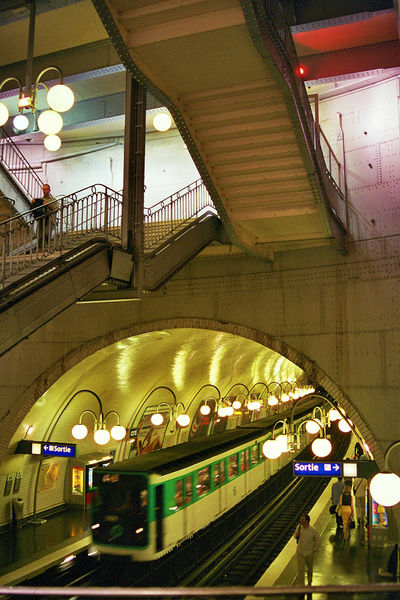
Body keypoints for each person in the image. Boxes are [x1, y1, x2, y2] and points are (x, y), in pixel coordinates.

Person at [294, 514, 321, 587]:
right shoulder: (299, 528)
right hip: (300, 551)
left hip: (309, 552)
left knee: (309, 568)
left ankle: (309, 582)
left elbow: (318, 541)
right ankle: (301, 585)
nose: (301, 521)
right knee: (300, 570)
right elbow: (295, 536)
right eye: (301, 519)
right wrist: (296, 535)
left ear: (307, 521)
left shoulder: (313, 531)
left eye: (302, 519)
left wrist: (314, 549)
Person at [31, 184, 57, 250]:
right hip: (41, 219)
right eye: (43, 189)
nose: (44, 191)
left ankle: (49, 247)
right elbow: (34, 209)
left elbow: (55, 209)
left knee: (47, 234)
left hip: (49, 219)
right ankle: (40, 250)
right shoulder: (40, 199)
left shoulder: (53, 199)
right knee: (39, 236)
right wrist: (33, 203)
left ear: (49, 190)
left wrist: (47, 205)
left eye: (46, 189)